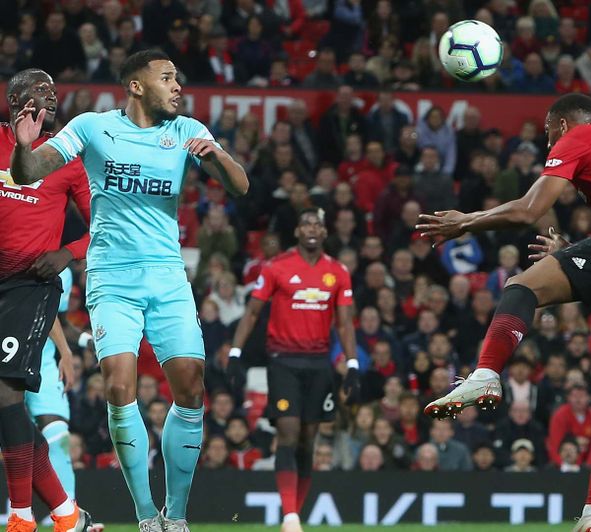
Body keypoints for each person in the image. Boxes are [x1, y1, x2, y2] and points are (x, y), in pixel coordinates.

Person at [416, 93, 591, 529]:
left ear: (562, 125)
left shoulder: (578, 135)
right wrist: (576, 251)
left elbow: (529, 210)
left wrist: (463, 221)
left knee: (521, 286)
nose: (548, 145)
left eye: (547, 134)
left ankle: (485, 375)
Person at [11, 49, 250, 532]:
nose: (178, 87)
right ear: (137, 86)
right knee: (120, 386)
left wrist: (218, 156)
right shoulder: (92, 127)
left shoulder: (186, 131)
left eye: (178, 78)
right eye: (168, 78)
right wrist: (23, 145)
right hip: (111, 276)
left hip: (166, 274)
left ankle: (176, 515)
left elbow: (240, 187)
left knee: (191, 385)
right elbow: (27, 173)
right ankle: (146, 516)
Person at [0, 68, 98, 532]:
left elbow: (103, 226)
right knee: (5, 407)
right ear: (15, 99)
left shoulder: (68, 158)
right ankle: (67, 514)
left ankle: (21, 517)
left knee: (6, 393)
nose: (50, 96)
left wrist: (66, 252)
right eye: (40, 90)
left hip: (31, 284)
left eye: (54, 91)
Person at [227, 208, 360, 532]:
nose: (312, 228)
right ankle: (290, 518)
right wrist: (234, 353)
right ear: (297, 232)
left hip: (319, 364)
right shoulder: (277, 267)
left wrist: (352, 365)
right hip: (283, 361)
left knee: (307, 440)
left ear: (324, 233)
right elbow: (253, 311)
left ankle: (293, 515)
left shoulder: (338, 271)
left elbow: (344, 322)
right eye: (306, 224)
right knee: (287, 432)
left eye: (317, 224)